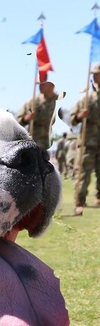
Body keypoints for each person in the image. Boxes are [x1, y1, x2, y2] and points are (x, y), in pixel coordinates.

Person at [69, 65, 100, 216]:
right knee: (83, 175)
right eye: (94, 74)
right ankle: (79, 203)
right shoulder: (86, 100)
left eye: (98, 74)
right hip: (88, 143)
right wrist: (80, 116)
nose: (96, 77)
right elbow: (72, 119)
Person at [17, 81, 59, 151]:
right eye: (39, 84)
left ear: (51, 85)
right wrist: (26, 119)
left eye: (43, 84)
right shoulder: (32, 102)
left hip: (52, 142)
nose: (40, 86)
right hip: (34, 143)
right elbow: (18, 122)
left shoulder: (59, 101)